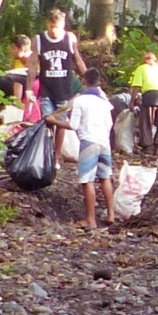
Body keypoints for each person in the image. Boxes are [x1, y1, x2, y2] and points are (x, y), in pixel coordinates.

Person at [45, 67, 116, 231]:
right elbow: (110, 124)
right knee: (105, 177)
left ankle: (90, 220)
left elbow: (73, 125)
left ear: (84, 81)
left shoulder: (80, 101)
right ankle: (111, 214)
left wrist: (53, 121)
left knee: (87, 180)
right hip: (104, 142)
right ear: (98, 82)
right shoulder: (105, 102)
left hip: (89, 141)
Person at [28, 8, 87, 166]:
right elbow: (32, 64)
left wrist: (89, 82)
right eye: (52, 27)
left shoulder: (69, 39)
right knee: (48, 122)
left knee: (60, 123)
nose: (54, 30)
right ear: (48, 24)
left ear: (63, 25)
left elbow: (78, 60)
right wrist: (28, 89)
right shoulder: (39, 40)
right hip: (47, 87)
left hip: (64, 89)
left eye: (58, 27)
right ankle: (45, 154)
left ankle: (56, 156)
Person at [128, 50, 158, 149]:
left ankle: (146, 145)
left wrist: (132, 102)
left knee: (146, 121)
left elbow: (136, 86)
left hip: (150, 95)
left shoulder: (141, 68)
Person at [0, 35, 33, 104]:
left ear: (22, 49)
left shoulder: (37, 61)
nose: (11, 51)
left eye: (13, 48)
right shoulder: (17, 62)